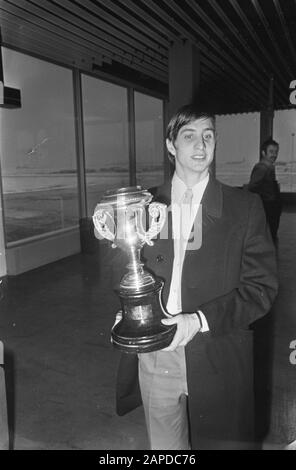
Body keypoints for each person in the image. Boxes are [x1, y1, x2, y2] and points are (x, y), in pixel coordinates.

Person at [112, 104, 278, 450]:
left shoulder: (244, 208)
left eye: (208, 136)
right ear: (171, 146)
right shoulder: (145, 205)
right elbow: (132, 268)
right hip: (156, 352)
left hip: (215, 349)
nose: (201, 146)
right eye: (189, 137)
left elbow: (261, 289)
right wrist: (130, 311)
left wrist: (198, 320)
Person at [248, 138, 282, 242]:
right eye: (271, 152)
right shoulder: (262, 167)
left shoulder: (269, 166)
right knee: (269, 236)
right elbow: (253, 187)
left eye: (276, 152)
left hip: (270, 205)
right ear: (263, 153)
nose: (274, 155)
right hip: (267, 205)